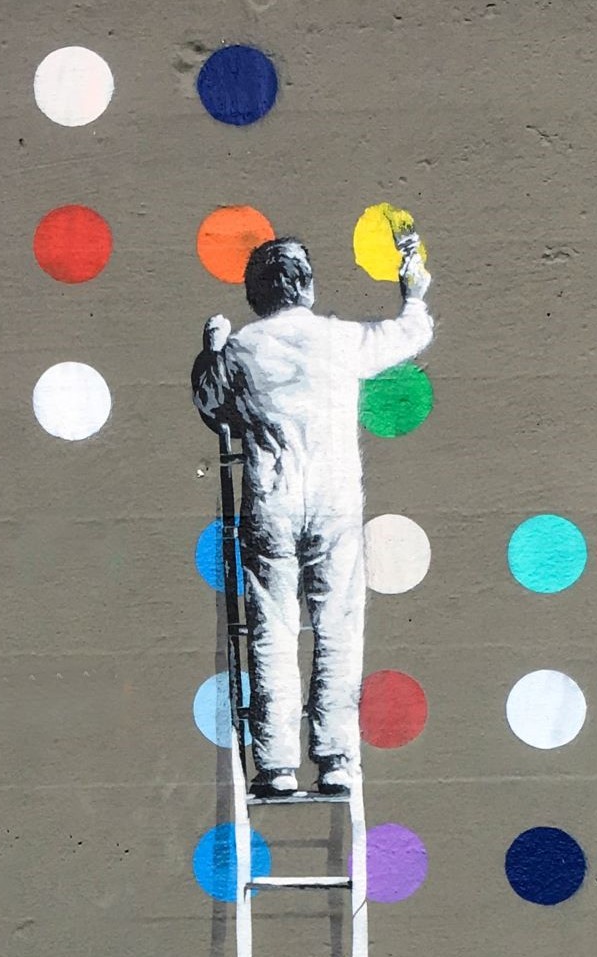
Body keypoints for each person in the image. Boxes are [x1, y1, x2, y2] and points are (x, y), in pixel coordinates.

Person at [192, 228, 434, 796]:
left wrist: (211, 349)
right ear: (307, 286)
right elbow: (410, 332)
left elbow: (211, 404)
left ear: (256, 293)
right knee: (338, 630)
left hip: (270, 502)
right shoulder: (339, 340)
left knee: (271, 632)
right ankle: (336, 759)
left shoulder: (244, 349)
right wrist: (414, 291)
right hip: (335, 503)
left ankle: (275, 766)